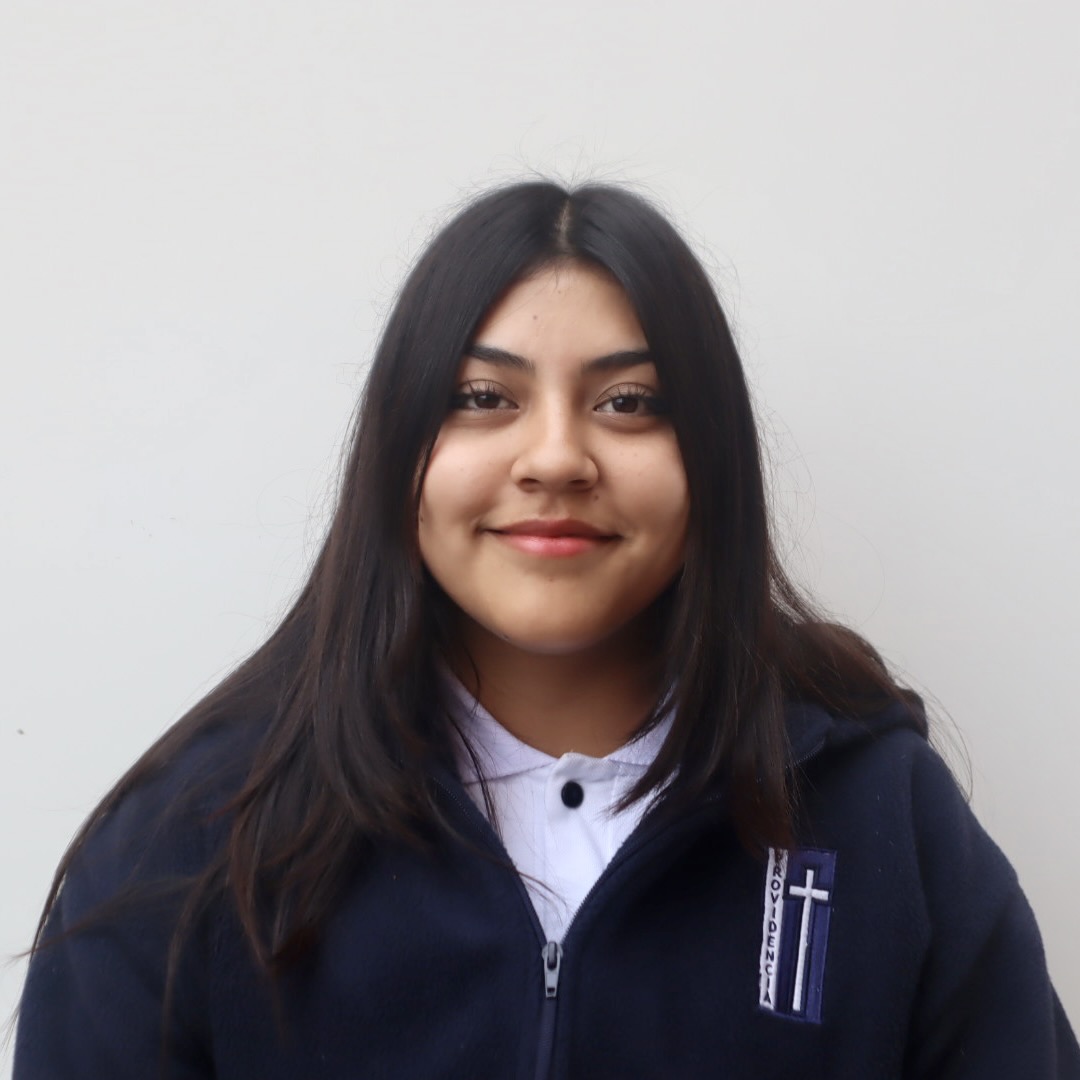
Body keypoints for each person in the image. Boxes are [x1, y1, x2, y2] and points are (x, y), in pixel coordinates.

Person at [14, 181, 1080, 1079]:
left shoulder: (885, 817)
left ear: (710, 458)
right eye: (484, 397)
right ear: (399, 450)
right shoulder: (196, 832)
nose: (558, 457)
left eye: (629, 403)